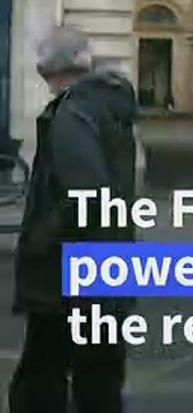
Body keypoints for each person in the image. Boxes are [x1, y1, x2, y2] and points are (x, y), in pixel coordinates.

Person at [10, 25, 138, 413]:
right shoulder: (111, 109)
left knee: (40, 379)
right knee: (98, 377)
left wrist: (43, 240)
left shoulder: (73, 114)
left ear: (50, 70)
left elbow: (87, 194)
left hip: (68, 276)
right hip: (109, 267)